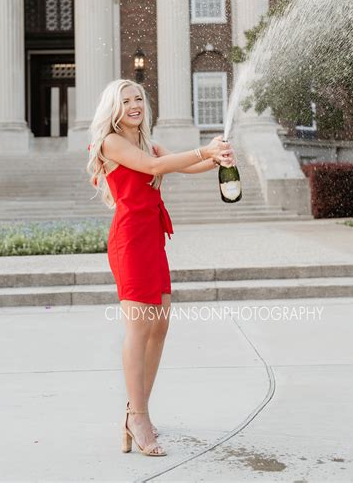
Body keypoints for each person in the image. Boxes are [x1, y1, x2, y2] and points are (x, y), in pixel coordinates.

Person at [86, 78, 235, 457]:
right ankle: (137, 416)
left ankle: (138, 412)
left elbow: (183, 166)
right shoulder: (112, 142)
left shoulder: (146, 142)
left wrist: (216, 158)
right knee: (139, 327)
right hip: (129, 240)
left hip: (152, 238)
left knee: (159, 326)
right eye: (126, 100)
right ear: (113, 108)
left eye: (138, 98)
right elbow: (154, 166)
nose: (134, 105)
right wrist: (203, 148)